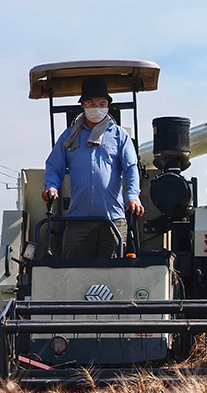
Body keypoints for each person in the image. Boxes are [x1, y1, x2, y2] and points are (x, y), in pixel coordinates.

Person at [42, 77, 144, 259]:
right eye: (92, 103)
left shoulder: (120, 136)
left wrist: (133, 196)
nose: (97, 108)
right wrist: (51, 186)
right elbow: (54, 166)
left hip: (112, 218)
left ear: (108, 106)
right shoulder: (69, 136)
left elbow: (130, 168)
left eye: (102, 103)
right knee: (72, 270)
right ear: (83, 105)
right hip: (77, 219)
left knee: (113, 274)